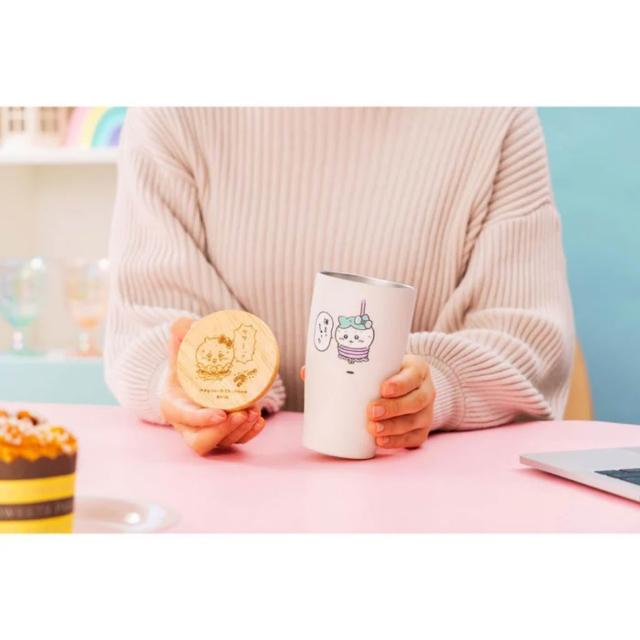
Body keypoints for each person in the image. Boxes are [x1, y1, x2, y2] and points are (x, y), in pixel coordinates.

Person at [104, 107, 574, 455]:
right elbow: (147, 313)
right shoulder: (175, 111)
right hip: (223, 487)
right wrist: (184, 383)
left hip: (426, 490)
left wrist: (438, 385)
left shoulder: (494, 118)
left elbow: (527, 333)